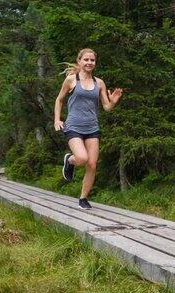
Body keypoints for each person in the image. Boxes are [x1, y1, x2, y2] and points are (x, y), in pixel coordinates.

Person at [54, 48, 123, 209]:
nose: (89, 62)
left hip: (92, 127)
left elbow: (106, 107)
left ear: (95, 63)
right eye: (86, 60)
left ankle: (83, 198)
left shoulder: (99, 83)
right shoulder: (71, 80)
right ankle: (70, 160)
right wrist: (57, 119)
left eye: (92, 60)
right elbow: (59, 100)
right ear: (79, 61)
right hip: (73, 126)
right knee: (82, 158)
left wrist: (112, 101)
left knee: (92, 164)